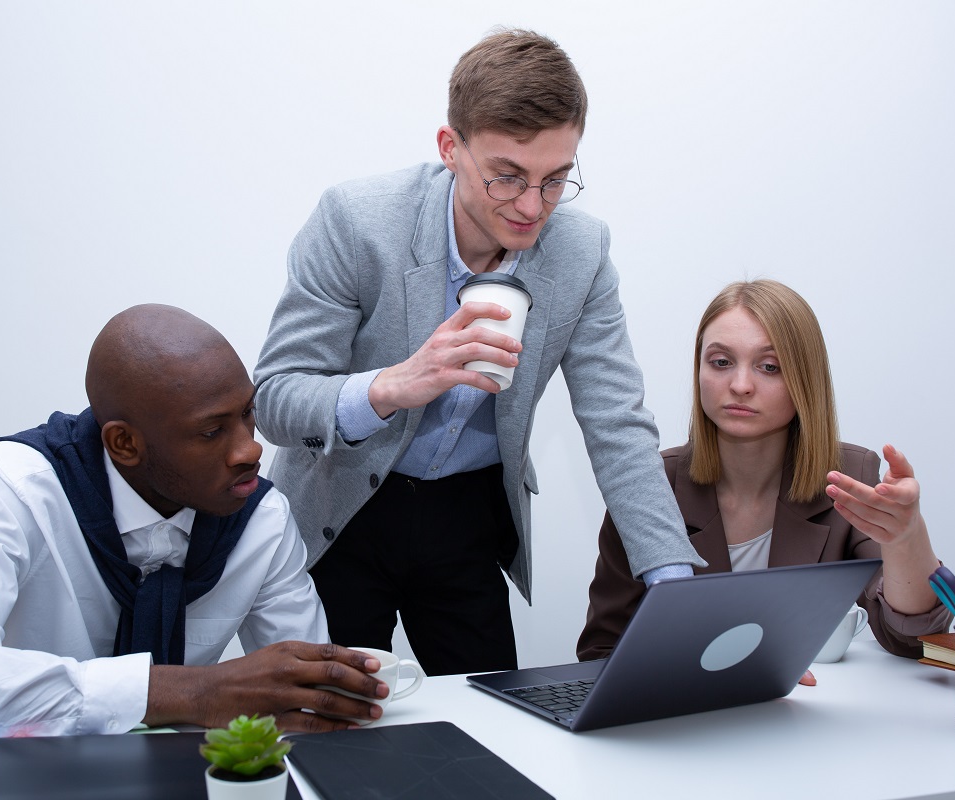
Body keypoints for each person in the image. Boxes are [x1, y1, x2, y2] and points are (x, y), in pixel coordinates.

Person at [252, 28, 705, 677]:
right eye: (507, 178)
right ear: (450, 148)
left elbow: (618, 425)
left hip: (467, 518)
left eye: (556, 181)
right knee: (329, 732)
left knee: (494, 736)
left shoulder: (582, 252)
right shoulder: (358, 221)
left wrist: (675, 590)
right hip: (341, 511)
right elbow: (275, 398)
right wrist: (391, 386)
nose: (531, 207)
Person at [0, 304, 388, 740]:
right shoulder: (16, 491)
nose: (250, 449)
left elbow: (303, 705)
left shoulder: (260, 518)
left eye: (247, 416)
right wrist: (188, 691)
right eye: (211, 432)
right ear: (124, 443)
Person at [577, 280, 950, 676]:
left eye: (769, 367)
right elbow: (602, 649)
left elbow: (910, 639)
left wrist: (907, 538)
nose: (740, 385)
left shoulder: (849, 475)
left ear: (806, 380)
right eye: (720, 362)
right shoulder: (650, 483)